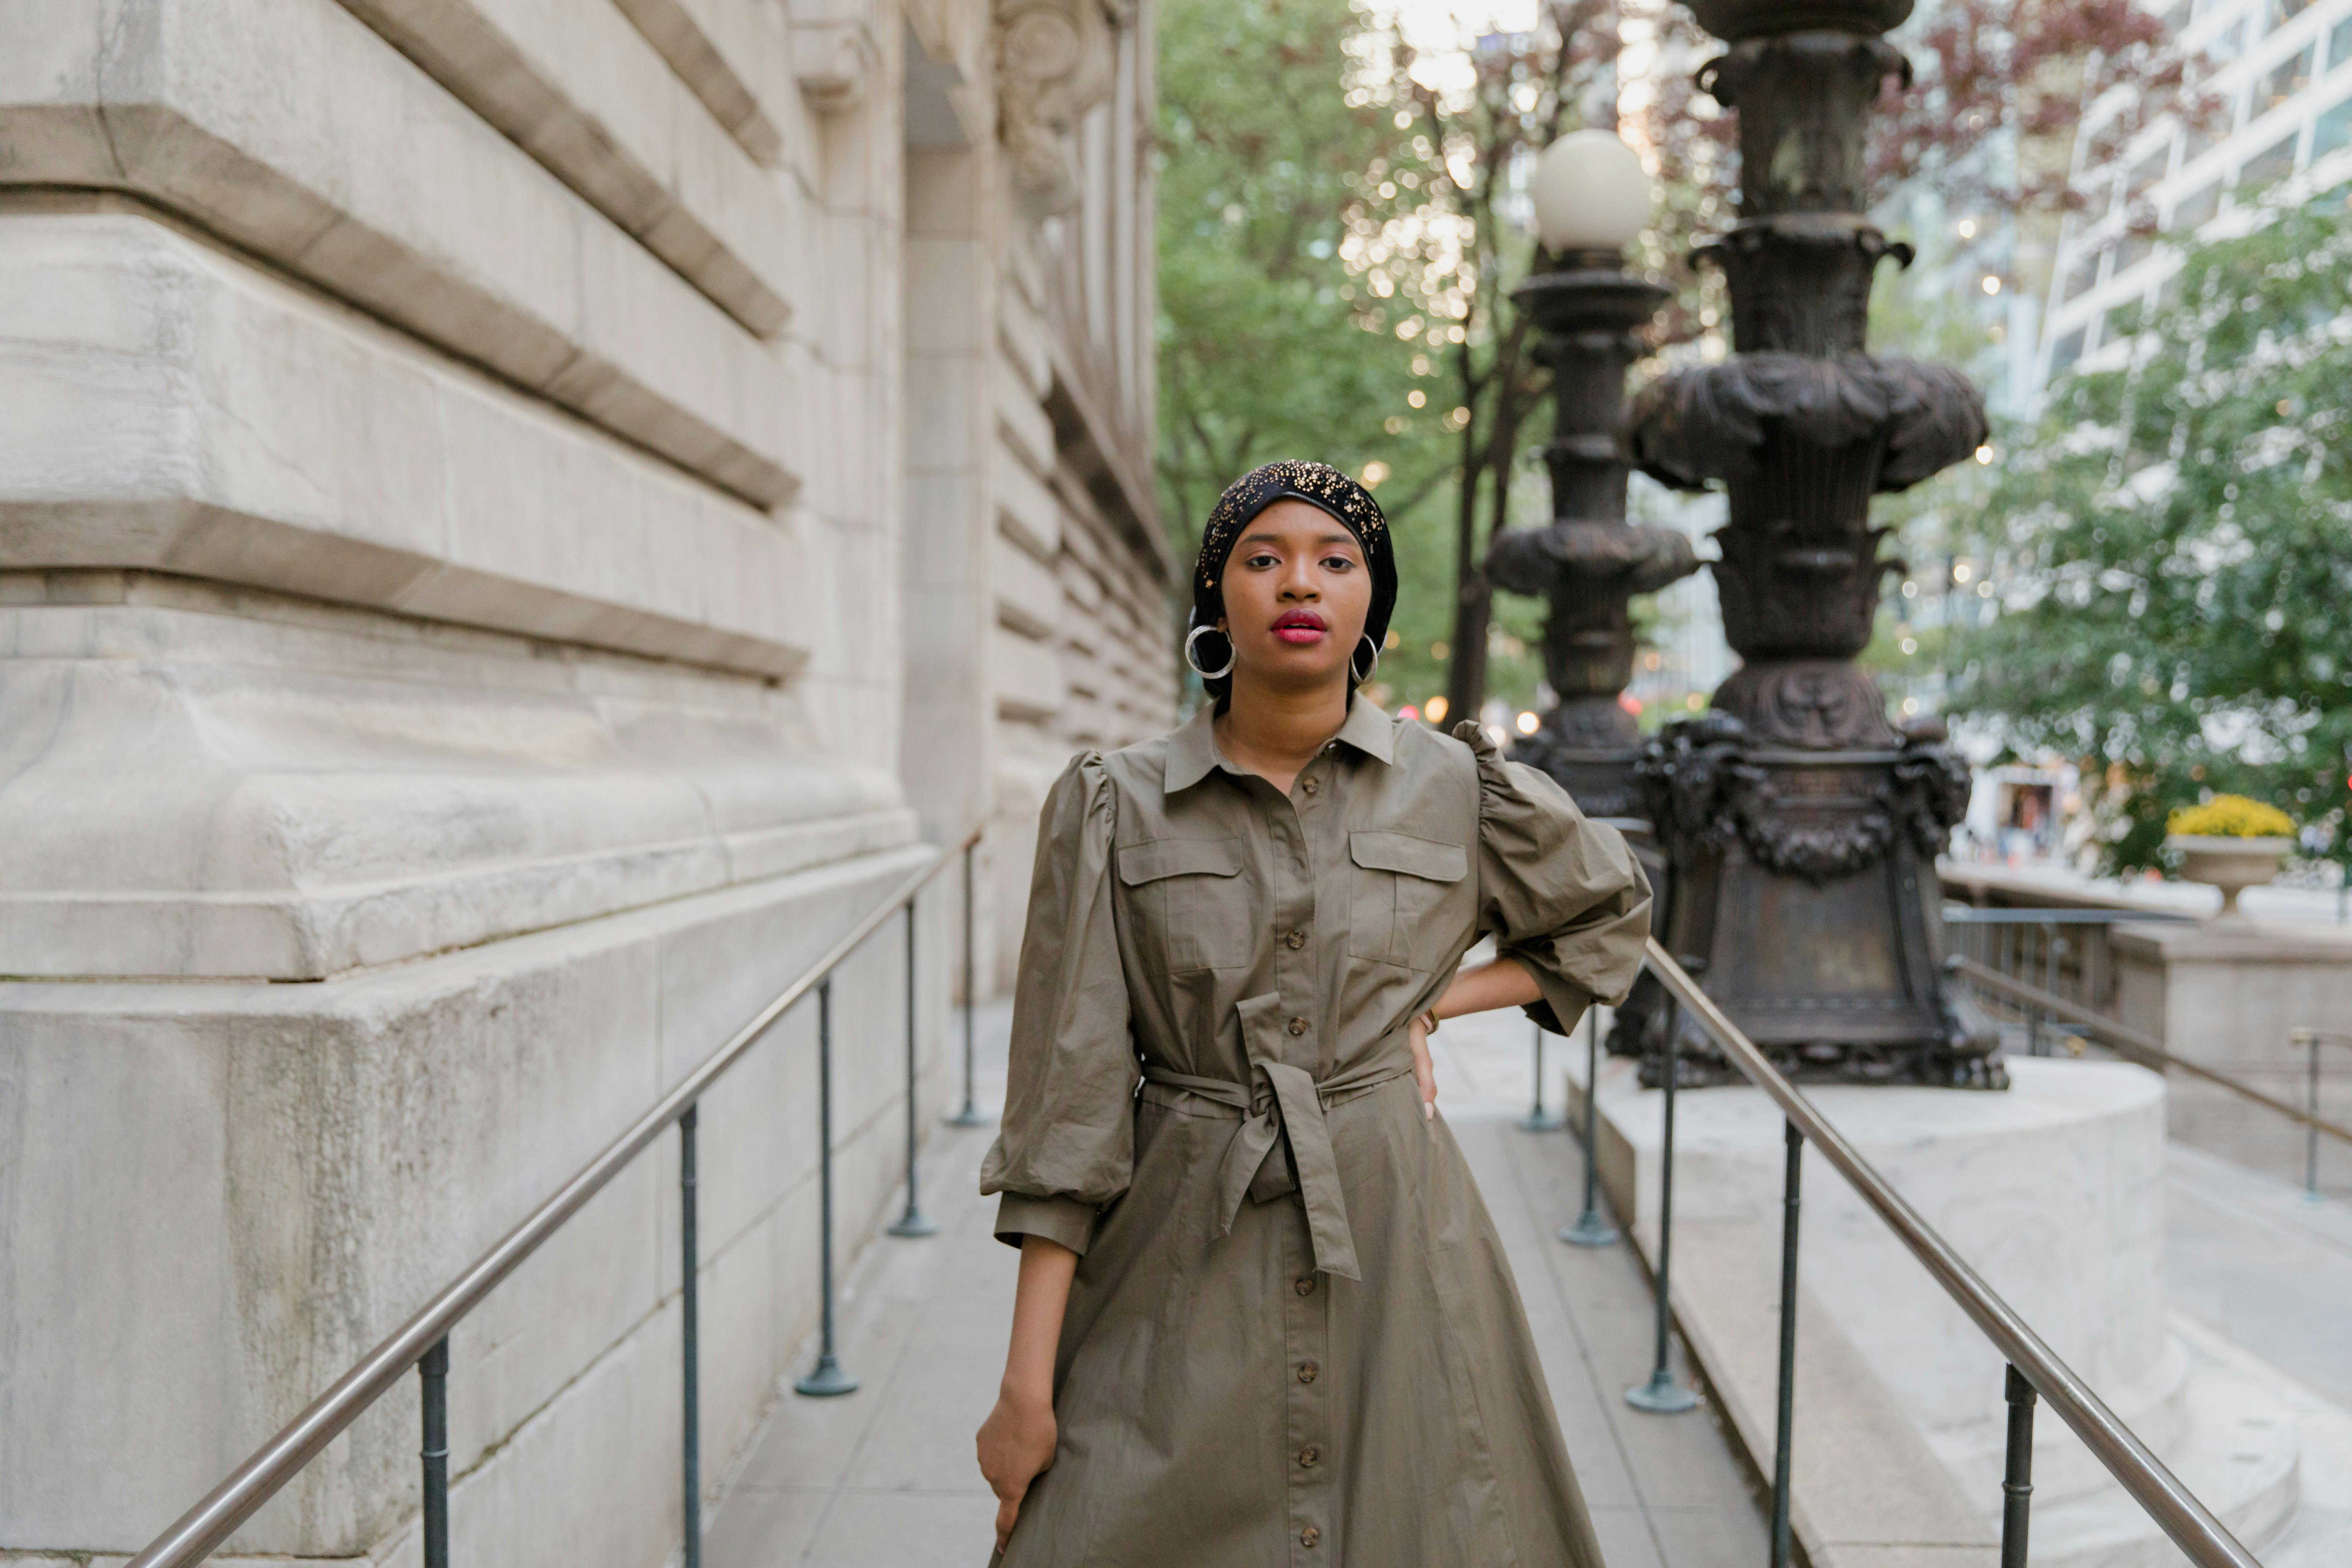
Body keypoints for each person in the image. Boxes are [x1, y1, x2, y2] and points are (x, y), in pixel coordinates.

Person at [973, 459, 1653, 1566]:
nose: (1302, 583)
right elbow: (1067, 1114)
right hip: (1173, 1250)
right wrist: (1025, 1388)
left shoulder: (1458, 786)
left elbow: (1610, 917)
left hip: (1401, 1246)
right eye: (1265, 559)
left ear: (1369, 603)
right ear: (1216, 598)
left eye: (1336, 562)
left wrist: (1435, 1005)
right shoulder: (1112, 802)